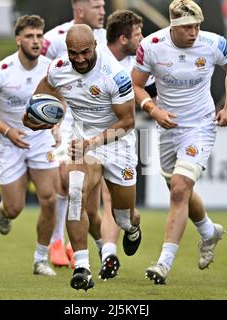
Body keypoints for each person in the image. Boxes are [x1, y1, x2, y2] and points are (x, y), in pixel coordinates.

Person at [23, 24, 142, 291]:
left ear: (95, 47)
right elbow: (43, 92)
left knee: (123, 217)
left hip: (117, 143)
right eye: (73, 53)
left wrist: (95, 141)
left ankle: (133, 227)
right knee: (75, 192)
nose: (79, 58)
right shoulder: (59, 67)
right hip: (82, 142)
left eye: (85, 52)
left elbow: (128, 122)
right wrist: (32, 115)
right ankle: (82, 268)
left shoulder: (116, 76)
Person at [132, 0, 227, 284]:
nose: (193, 32)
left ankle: (163, 264)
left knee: (179, 189)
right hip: (167, 128)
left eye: (196, 26)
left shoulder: (213, 43)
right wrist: (154, 110)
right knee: (177, 188)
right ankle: (208, 231)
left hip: (201, 126)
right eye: (187, 28)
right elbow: (136, 84)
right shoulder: (152, 46)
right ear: (172, 25)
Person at [0, 15, 60, 276]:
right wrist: (7, 130)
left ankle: (40, 259)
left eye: (39, 36)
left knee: (50, 198)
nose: (36, 41)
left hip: (41, 140)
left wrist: (55, 125)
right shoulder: (1, 71)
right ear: (18, 39)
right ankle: (4, 212)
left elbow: (60, 100)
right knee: (14, 208)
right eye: (30, 36)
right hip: (10, 143)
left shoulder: (51, 68)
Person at [42, 0, 107, 269]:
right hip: (64, 121)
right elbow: (44, 80)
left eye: (104, 6)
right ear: (79, 10)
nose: (103, 11)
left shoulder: (107, 39)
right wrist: (51, 119)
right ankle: (57, 241)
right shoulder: (54, 39)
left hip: (96, 125)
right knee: (64, 180)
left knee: (88, 186)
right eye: (97, 6)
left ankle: (76, 243)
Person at [98, 9, 157, 281]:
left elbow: (152, 95)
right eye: (137, 34)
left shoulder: (140, 64)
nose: (142, 38)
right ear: (123, 39)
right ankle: (107, 255)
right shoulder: (93, 57)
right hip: (89, 138)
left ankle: (132, 227)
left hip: (121, 140)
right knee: (83, 193)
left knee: (122, 210)